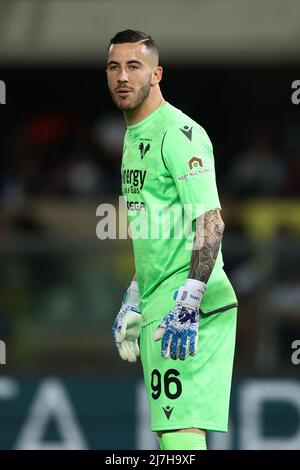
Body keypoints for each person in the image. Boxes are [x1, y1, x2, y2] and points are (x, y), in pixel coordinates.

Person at [107, 29, 238, 451]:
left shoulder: (179, 134)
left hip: (187, 299)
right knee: (170, 432)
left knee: (181, 431)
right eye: (114, 67)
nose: (123, 77)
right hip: (161, 296)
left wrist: (189, 299)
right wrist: (135, 292)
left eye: (134, 66)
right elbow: (159, 231)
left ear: (157, 73)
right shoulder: (134, 135)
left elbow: (211, 222)